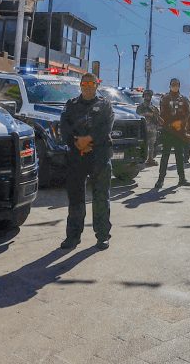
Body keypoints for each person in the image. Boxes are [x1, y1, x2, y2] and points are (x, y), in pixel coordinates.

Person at [59, 73, 116, 250]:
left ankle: (102, 236)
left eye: (91, 83)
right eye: (85, 83)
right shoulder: (71, 105)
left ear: (96, 85)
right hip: (77, 155)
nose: (88, 86)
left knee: (100, 197)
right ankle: (73, 237)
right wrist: (78, 143)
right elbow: (64, 127)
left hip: (99, 155)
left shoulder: (105, 104)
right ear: (80, 85)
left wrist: (90, 139)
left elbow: (107, 127)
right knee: (76, 198)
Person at [154, 79, 190, 189]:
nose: (175, 87)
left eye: (177, 85)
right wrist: (170, 124)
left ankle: (182, 178)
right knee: (165, 156)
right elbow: (163, 113)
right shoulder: (165, 98)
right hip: (168, 130)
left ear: (179, 86)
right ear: (170, 86)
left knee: (179, 156)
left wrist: (180, 123)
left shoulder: (183, 99)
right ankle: (160, 180)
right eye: (173, 85)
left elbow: (188, 113)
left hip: (179, 130)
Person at [136, 90, 159, 167]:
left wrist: (154, 115)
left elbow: (157, 116)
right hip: (144, 127)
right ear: (143, 96)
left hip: (152, 127)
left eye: (149, 96)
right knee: (143, 144)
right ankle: (141, 159)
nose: (147, 97)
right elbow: (138, 114)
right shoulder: (141, 106)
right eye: (146, 95)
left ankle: (150, 159)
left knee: (152, 145)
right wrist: (147, 114)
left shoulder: (153, 107)